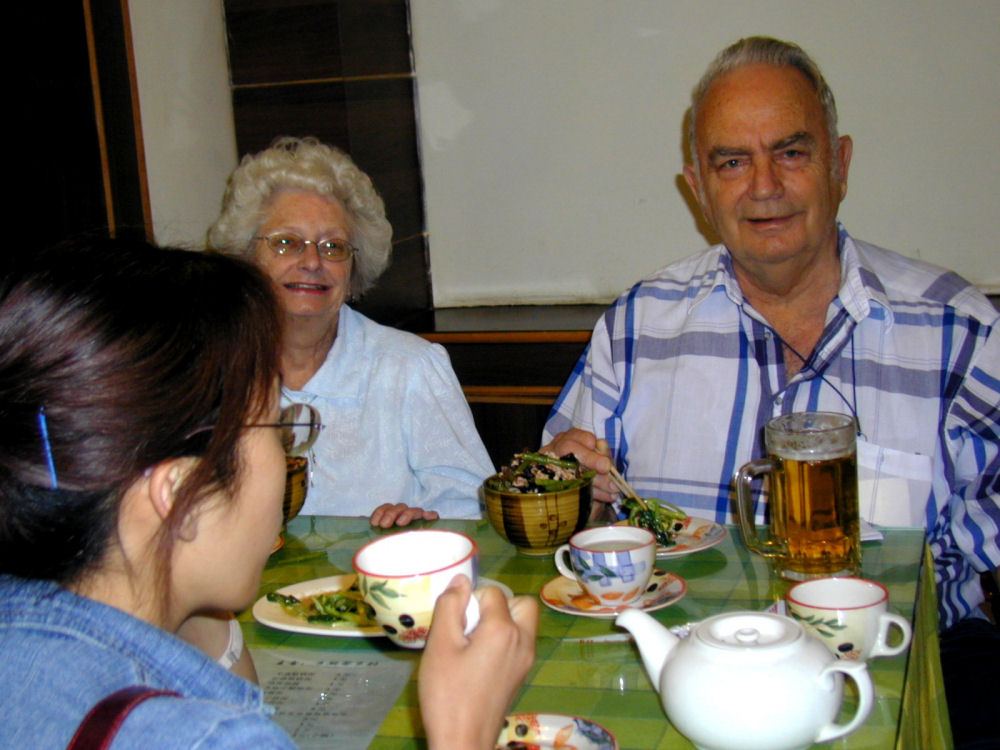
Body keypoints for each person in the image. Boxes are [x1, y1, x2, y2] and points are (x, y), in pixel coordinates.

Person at [542, 36, 999, 747]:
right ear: (697, 187)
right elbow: (561, 513)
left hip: (894, 678)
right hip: (683, 687)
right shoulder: (636, 329)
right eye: (732, 161)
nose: (764, 186)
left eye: (790, 152)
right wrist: (570, 491)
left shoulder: (960, 334)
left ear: (839, 165)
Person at [0, 238, 536, 749]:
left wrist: (187, 598)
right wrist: (463, 732)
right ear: (180, 493)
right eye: (275, 428)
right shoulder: (201, 739)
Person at [208, 136, 494, 527]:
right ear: (246, 256)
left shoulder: (410, 367)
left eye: (333, 247)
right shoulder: (211, 368)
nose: (311, 261)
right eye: (287, 243)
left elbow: (474, 508)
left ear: (354, 267)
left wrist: (424, 522)